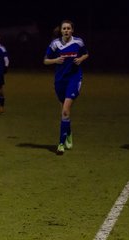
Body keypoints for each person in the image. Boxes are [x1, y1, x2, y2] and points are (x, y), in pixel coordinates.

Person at [43, 20, 89, 155]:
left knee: (65, 111)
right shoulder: (55, 44)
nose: (66, 30)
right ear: (61, 30)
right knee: (64, 111)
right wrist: (55, 61)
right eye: (64, 28)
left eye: (69, 28)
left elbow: (86, 53)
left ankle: (61, 144)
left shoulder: (78, 42)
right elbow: (45, 60)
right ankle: (68, 132)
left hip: (74, 79)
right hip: (60, 81)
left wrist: (81, 59)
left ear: (72, 30)